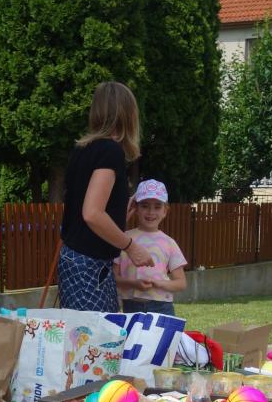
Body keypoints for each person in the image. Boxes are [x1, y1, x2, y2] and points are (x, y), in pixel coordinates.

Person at [58, 82, 153, 312]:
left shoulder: (82, 149)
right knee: (96, 333)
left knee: (95, 331)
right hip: (88, 265)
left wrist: (120, 211)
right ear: (127, 114)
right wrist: (131, 247)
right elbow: (92, 214)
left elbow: (84, 210)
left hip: (79, 261)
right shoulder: (110, 151)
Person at [114, 179, 187, 315]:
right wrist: (134, 283)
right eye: (145, 206)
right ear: (136, 208)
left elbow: (181, 283)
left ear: (165, 211)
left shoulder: (169, 243)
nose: (151, 212)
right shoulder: (123, 239)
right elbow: (114, 278)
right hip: (131, 307)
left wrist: (159, 283)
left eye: (157, 207)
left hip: (162, 308)